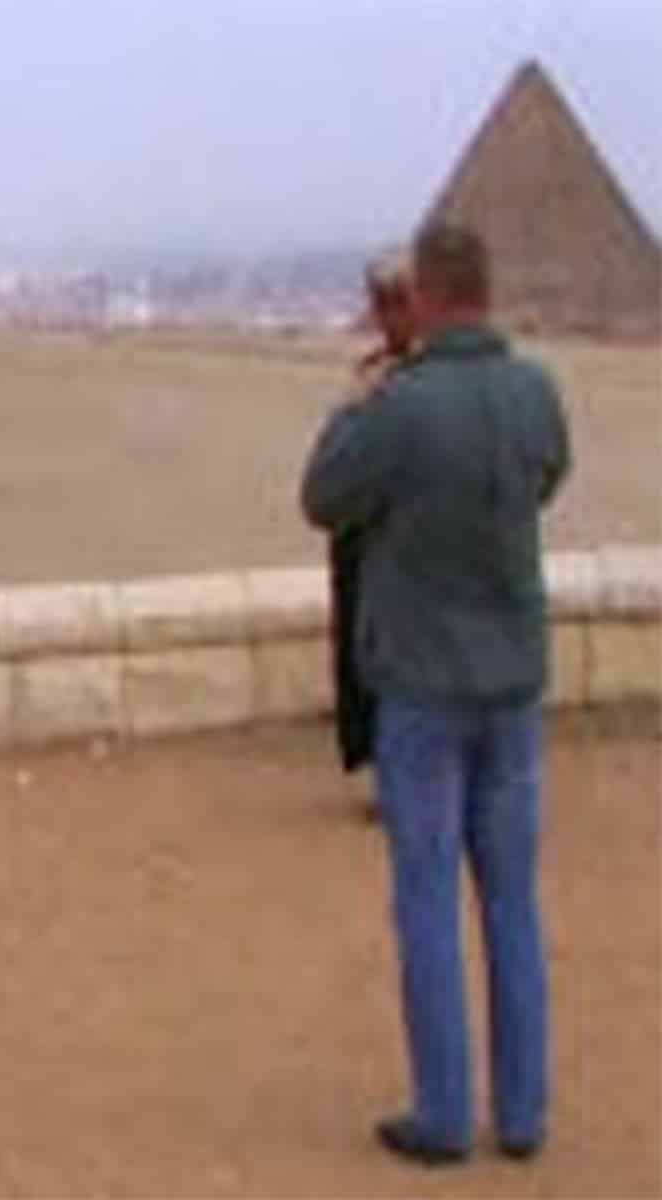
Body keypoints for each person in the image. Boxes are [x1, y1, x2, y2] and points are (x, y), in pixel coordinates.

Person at [302, 223, 570, 1166]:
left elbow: (324, 496)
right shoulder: (536, 393)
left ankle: (446, 1113)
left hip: (423, 683)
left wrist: (359, 402)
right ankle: (523, 1112)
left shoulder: (402, 407)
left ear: (424, 298)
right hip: (513, 682)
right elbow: (547, 477)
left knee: (426, 898)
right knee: (512, 900)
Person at [329, 249, 418, 793]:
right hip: (368, 536)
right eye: (379, 303)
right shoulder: (371, 375)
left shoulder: (439, 379)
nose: (383, 316)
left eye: (392, 303)